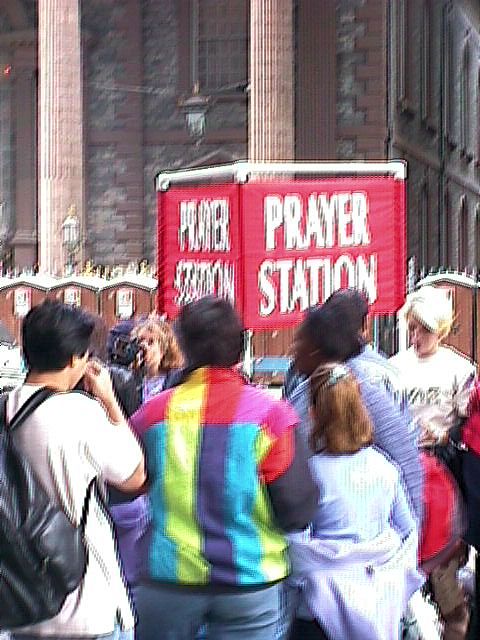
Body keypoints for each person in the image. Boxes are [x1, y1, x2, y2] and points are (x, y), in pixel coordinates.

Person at [130, 296, 318, 640]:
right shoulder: (271, 417)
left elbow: (127, 484)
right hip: (249, 581)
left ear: (183, 346)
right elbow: (297, 510)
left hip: (168, 580)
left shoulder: (152, 416)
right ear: (239, 347)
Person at [8, 299, 146, 639]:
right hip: (85, 604)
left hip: (18, 603)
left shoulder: (4, 408)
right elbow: (134, 476)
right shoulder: (79, 412)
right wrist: (109, 400)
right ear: (74, 359)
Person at [288, 363, 423, 640]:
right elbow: (409, 533)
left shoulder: (311, 474)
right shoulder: (385, 467)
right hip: (378, 605)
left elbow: (295, 545)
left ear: (312, 414)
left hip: (320, 609)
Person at [288, 292, 423, 523]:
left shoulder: (365, 387)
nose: (293, 350)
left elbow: (406, 465)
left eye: (299, 341)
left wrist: (409, 535)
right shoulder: (305, 387)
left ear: (315, 349)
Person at [390, 285, 476, 639]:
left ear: (439, 329)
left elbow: (468, 421)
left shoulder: (459, 368)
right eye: (412, 328)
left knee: (445, 559)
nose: (416, 337)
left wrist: (445, 435)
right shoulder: (395, 367)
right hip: (406, 466)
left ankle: (453, 617)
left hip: (445, 467)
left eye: (424, 329)